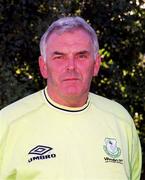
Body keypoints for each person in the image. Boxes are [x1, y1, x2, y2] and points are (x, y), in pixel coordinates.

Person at [0, 16, 142, 180]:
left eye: (81, 56)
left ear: (96, 65)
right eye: (59, 57)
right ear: (43, 66)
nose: (71, 66)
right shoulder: (8, 123)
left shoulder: (121, 120)